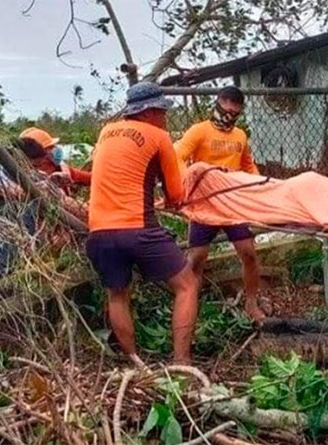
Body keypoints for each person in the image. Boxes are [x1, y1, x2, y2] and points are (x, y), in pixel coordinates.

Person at [86, 81, 200, 366]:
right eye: (162, 111)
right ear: (149, 111)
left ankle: (135, 363)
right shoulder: (158, 136)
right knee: (187, 284)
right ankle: (182, 363)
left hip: (98, 232)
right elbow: (175, 195)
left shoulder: (106, 132)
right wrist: (176, 199)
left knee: (117, 294)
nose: (164, 117)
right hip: (137, 228)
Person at [175, 86, 265, 323]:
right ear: (217, 105)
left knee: (248, 253)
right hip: (204, 203)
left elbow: (248, 165)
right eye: (225, 110)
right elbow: (178, 156)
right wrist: (190, 181)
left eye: (234, 113)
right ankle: (189, 304)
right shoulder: (199, 132)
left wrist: (259, 184)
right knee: (197, 257)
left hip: (231, 204)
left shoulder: (240, 136)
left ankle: (252, 303)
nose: (228, 117)